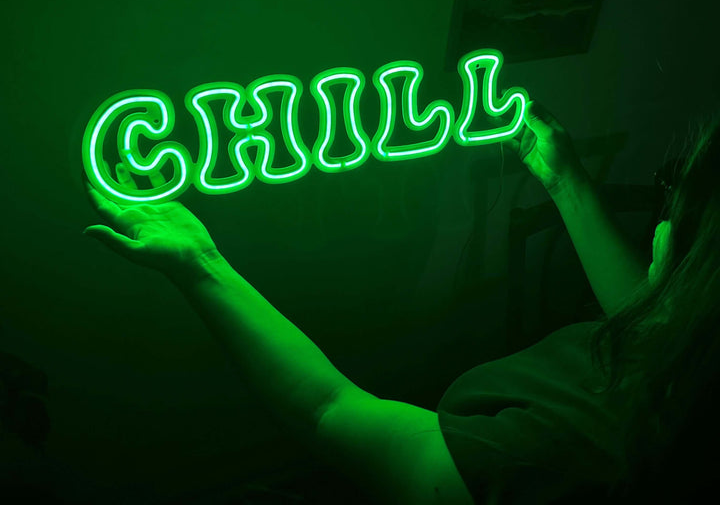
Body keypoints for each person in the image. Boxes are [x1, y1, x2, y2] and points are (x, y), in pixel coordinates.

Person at [83, 101, 720, 504]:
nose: (661, 220)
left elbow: (328, 412)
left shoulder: (555, 457)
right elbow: (649, 313)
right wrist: (565, 180)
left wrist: (199, 263)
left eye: (677, 203)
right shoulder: (689, 367)